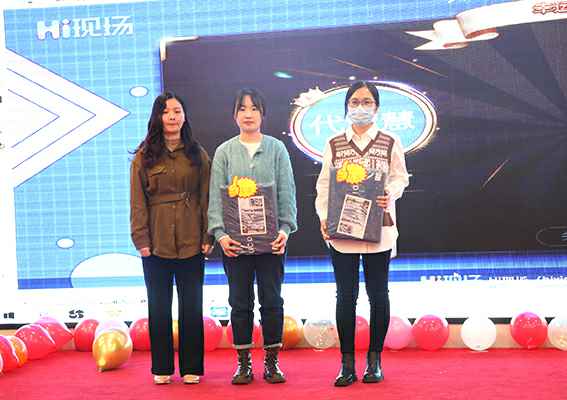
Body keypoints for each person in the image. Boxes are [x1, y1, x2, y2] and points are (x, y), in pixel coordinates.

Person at [315, 80, 409, 386]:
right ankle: (346, 364)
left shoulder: (390, 141)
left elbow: (401, 177)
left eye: (367, 102)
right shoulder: (334, 143)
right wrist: (324, 217)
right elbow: (324, 186)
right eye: (354, 102)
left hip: (380, 229)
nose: (360, 107)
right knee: (346, 296)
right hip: (343, 231)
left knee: (379, 294)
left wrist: (390, 192)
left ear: (377, 107)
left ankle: (374, 360)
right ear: (346, 107)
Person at [208, 88, 297, 384]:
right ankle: (243, 363)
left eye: (254, 108)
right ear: (235, 115)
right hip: (234, 244)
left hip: (271, 243)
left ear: (262, 114)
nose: (248, 114)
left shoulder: (276, 149)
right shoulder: (224, 152)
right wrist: (220, 234)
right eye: (242, 109)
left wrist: (285, 230)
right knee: (240, 302)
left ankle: (272, 362)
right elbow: (215, 197)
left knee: (272, 301)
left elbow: (287, 192)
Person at [130, 92, 213, 385]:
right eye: (166, 112)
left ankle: (192, 367)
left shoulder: (197, 154)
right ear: (158, 117)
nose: (173, 116)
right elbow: (137, 201)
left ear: (184, 116)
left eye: (177, 111)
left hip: (192, 240)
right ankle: (162, 367)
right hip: (156, 243)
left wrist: (208, 235)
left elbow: (207, 197)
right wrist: (141, 239)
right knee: (159, 307)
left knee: (192, 307)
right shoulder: (144, 156)